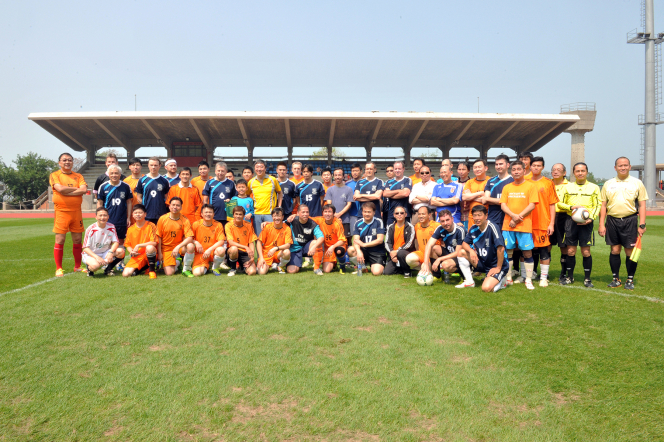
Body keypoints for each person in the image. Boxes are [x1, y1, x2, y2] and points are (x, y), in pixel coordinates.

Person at [599, 157, 648, 290]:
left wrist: (642, 224)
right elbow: (603, 205)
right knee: (614, 250)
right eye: (620, 166)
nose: (623, 167)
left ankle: (630, 280)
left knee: (629, 251)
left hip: (630, 220)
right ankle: (615, 279)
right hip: (612, 220)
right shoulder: (608, 184)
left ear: (630, 167)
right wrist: (601, 224)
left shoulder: (637, 183)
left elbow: (642, 205)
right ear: (615, 168)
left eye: (625, 165)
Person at [557, 162, 600, 287]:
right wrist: (571, 207)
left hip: (587, 223)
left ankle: (587, 279)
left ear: (586, 172)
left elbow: (597, 205)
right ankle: (570, 277)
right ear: (574, 173)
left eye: (582, 171)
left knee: (586, 251)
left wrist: (591, 218)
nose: (580, 173)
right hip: (571, 222)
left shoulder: (594, 187)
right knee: (570, 251)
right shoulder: (567, 187)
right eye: (577, 171)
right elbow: (560, 204)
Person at [500, 161, 539, 290]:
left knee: (527, 252)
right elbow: (503, 205)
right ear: (511, 171)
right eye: (514, 169)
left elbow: (532, 205)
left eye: (519, 169)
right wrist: (513, 216)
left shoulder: (530, 186)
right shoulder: (507, 187)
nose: (516, 171)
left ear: (524, 170)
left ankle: (528, 279)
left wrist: (516, 218)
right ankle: (509, 277)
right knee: (508, 251)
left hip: (524, 224)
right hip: (508, 224)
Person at [50, 152, 88, 276]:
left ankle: (77, 266)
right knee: (60, 239)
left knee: (77, 239)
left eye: (70, 160)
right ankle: (58, 268)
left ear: (72, 162)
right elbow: (59, 189)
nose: (67, 162)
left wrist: (67, 191)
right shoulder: (55, 175)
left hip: (76, 212)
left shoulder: (78, 175)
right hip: (61, 211)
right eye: (64, 160)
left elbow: (83, 189)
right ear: (59, 162)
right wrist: (75, 190)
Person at [456, 205, 509, 292]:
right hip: (483, 263)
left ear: (486, 216)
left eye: (480, 215)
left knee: (486, 288)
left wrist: (498, 268)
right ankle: (470, 282)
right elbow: (464, 243)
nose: (477, 218)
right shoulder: (473, 228)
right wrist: (471, 251)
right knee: (461, 252)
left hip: (496, 265)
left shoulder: (493, 227)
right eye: (475, 215)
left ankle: (502, 280)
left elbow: (501, 248)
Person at [528, 156, 559, 287]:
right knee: (527, 251)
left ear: (543, 167)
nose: (536, 168)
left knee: (544, 251)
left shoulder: (548, 182)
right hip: (527, 222)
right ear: (530, 167)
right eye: (534, 165)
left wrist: (551, 223)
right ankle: (528, 276)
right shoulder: (524, 181)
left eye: (539, 166)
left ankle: (543, 277)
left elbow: (552, 204)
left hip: (542, 222)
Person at [421, 209, 465, 283]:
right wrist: (426, 264)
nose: (445, 223)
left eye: (447, 220)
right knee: (433, 248)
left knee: (445, 265)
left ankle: (463, 273)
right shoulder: (440, 229)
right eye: (442, 221)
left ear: (452, 219)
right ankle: (437, 275)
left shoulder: (460, 230)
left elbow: (458, 252)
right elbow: (429, 244)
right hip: (449, 253)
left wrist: (439, 259)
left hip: (461, 256)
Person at [156, 197, 194, 276]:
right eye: (173, 205)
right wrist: (160, 253)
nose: (175, 207)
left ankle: (186, 269)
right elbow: (158, 237)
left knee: (190, 246)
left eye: (177, 205)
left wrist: (178, 247)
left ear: (181, 207)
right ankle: (178, 262)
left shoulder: (185, 220)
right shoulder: (162, 219)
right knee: (169, 273)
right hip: (166, 248)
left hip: (179, 248)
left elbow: (190, 237)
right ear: (169, 206)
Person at [82, 207, 124, 277]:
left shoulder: (111, 226)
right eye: (100, 215)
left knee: (121, 251)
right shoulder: (90, 229)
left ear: (108, 217)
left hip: (105, 252)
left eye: (105, 215)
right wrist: (97, 257)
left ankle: (108, 269)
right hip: (91, 254)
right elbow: (85, 248)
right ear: (96, 217)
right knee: (95, 266)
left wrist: (110, 252)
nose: (102, 217)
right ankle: (89, 269)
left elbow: (116, 242)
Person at [96, 164, 133, 246]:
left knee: (120, 241)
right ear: (108, 174)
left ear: (120, 174)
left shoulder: (126, 186)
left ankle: (120, 259)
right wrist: (100, 216)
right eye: (112, 173)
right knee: (107, 241)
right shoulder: (103, 186)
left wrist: (129, 217)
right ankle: (108, 258)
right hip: (107, 219)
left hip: (121, 219)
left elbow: (129, 202)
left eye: (116, 173)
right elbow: (100, 203)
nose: (114, 175)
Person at [122, 204, 158, 279]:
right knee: (126, 274)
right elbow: (127, 244)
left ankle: (152, 271)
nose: (138, 214)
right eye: (135, 213)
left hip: (149, 253)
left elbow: (154, 242)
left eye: (140, 212)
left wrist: (138, 245)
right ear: (132, 215)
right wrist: (131, 251)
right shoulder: (130, 229)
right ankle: (143, 268)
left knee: (150, 247)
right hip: (137, 255)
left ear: (145, 214)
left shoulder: (151, 225)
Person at [286, 204, 325, 274]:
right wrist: (267, 223)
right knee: (291, 271)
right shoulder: (292, 220)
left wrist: (314, 247)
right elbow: (278, 224)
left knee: (315, 242)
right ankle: (297, 263)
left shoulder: (313, 224)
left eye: (307, 212)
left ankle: (317, 268)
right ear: (297, 213)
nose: (305, 214)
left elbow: (321, 237)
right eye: (303, 212)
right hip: (295, 249)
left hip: (307, 248)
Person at [189, 204, 227, 277]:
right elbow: (189, 238)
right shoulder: (196, 224)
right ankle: (206, 265)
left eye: (210, 212)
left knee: (221, 250)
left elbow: (221, 241)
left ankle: (215, 268)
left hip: (212, 252)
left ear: (213, 214)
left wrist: (210, 249)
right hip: (200, 253)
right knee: (198, 274)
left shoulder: (218, 224)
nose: (208, 214)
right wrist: (196, 242)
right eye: (206, 212)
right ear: (202, 214)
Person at [350, 202, 386, 276]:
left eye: (369, 212)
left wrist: (364, 244)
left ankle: (379, 265)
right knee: (351, 250)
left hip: (377, 251)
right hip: (364, 251)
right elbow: (356, 241)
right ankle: (363, 267)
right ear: (362, 212)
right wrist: (359, 251)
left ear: (374, 212)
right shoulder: (357, 223)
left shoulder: (378, 222)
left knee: (376, 272)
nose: (366, 214)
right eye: (365, 212)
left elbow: (379, 240)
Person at [248, 159, 282, 236]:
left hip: (270, 213)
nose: (259, 169)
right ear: (254, 168)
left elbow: (280, 193)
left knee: (271, 235)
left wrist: (279, 206)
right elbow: (246, 195)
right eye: (257, 167)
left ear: (265, 168)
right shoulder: (251, 182)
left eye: (261, 167)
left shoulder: (273, 180)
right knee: (259, 237)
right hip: (256, 213)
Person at [405, 206, 442, 278]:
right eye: (419, 214)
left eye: (423, 214)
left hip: (432, 256)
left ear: (429, 215)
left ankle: (435, 267)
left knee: (424, 269)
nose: (421, 216)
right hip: (421, 253)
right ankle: (423, 268)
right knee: (409, 259)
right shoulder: (417, 226)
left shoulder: (436, 226)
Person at [312, 204, 348, 274]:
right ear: (322, 213)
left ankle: (342, 266)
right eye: (325, 212)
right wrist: (294, 215)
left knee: (339, 251)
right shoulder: (320, 219)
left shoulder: (337, 223)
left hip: (338, 245)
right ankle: (334, 264)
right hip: (327, 247)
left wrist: (333, 246)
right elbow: (307, 218)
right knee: (326, 270)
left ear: (334, 213)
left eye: (329, 212)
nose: (327, 214)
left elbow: (342, 240)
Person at [256, 207, 292, 275]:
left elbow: (288, 245)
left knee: (287, 252)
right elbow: (259, 242)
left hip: (278, 253)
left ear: (282, 217)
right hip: (267, 253)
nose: (277, 218)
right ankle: (271, 265)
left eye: (279, 216)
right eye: (275, 216)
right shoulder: (267, 227)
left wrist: (276, 248)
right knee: (261, 272)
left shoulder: (287, 228)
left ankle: (280, 265)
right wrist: (261, 258)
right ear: (272, 217)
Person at [135, 157, 170, 225]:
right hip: (146, 214)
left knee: (159, 235)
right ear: (148, 165)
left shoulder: (164, 181)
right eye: (151, 165)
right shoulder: (142, 180)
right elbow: (139, 197)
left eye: (155, 165)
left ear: (159, 166)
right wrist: (144, 206)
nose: (153, 167)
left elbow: (167, 197)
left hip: (161, 214)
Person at [224, 206, 258, 276]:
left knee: (252, 272)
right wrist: (246, 247)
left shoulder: (248, 225)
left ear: (243, 215)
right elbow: (231, 242)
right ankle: (233, 269)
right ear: (233, 215)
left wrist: (252, 257)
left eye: (240, 214)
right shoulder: (228, 225)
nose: (238, 216)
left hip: (245, 253)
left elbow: (251, 242)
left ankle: (242, 267)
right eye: (236, 214)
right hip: (233, 251)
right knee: (234, 249)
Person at [550, 163, 570, 283]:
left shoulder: (569, 186)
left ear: (564, 173)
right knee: (546, 246)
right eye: (554, 170)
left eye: (559, 170)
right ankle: (544, 273)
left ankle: (563, 273)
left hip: (564, 217)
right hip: (548, 217)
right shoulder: (547, 183)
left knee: (564, 247)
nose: (556, 172)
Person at [383, 206, 416, 277]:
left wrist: (397, 252)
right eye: (397, 213)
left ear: (405, 214)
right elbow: (387, 242)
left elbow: (409, 243)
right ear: (394, 215)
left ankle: (407, 272)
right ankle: (400, 268)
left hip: (404, 253)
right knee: (387, 272)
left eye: (402, 213)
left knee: (401, 253)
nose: (399, 215)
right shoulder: (390, 227)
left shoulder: (410, 227)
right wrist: (392, 253)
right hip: (393, 254)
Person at [483, 154, 513, 231]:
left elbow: (513, 201)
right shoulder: (491, 181)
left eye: (501, 164)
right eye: (496, 164)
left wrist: (491, 200)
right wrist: (503, 202)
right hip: (493, 219)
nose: (498, 166)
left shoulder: (513, 181)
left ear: (508, 165)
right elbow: (485, 200)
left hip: (509, 219)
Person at [202, 161, 236, 227]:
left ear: (226, 172)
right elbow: (205, 200)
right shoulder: (209, 182)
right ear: (215, 171)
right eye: (218, 170)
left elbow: (235, 198)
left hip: (227, 216)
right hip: (213, 215)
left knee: (226, 235)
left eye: (222, 171)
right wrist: (205, 212)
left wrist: (230, 200)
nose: (220, 173)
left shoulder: (231, 183)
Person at [324, 168, 354, 238]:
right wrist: (334, 215)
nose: (337, 177)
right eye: (336, 175)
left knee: (346, 240)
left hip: (345, 220)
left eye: (339, 175)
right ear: (333, 176)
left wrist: (339, 214)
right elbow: (329, 205)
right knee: (334, 239)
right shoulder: (330, 189)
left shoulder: (348, 189)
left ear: (343, 176)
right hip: (332, 219)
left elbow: (349, 204)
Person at [382, 161, 412, 227]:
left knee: (404, 235)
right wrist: (399, 191)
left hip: (405, 213)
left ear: (403, 169)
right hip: (391, 213)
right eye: (395, 169)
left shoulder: (407, 180)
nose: (397, 170)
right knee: (391, 234)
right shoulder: (389, 182)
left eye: (399, 168)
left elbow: (405, 193)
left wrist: (391, 194)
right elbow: (385, 194)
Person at [123, 158, 144, 224]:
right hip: (131, 210)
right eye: (133, 165)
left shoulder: (146, 179)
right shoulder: (126, 181)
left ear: (141, 167)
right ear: (129, 167)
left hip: (144, 209)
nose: (135, 167)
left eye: (137, 165)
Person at [345, 162, 363, 230]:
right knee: (353, 235)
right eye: (353, 171)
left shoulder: (365, 183)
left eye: (356, 171)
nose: (354, 173)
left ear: (361, 171)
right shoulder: (347, 184)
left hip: (364, 213)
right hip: (352, 214)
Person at [456, 162, 471, 229]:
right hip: (457, 215)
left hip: (469, 214)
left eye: (463, 169)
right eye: (459, 169)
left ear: (468, 170)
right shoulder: (454, 184)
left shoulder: (472, 183)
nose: (461, 172)